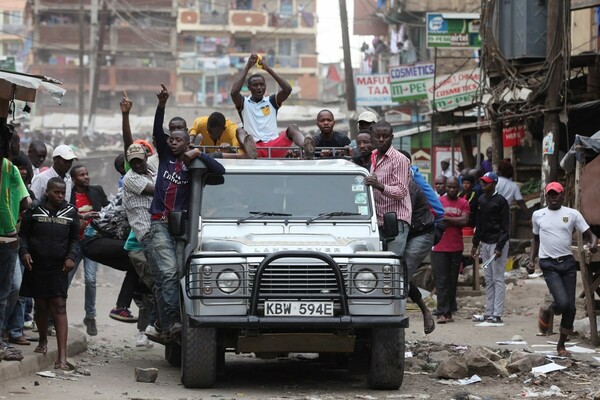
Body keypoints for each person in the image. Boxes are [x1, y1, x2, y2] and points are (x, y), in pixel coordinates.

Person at [142, 84, 225, 338]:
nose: (174, 142)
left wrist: (199, 154)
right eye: (171, 139)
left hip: (182, 226)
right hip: (158, 223)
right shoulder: (165, 155)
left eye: (179, 140)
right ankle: (173, 321)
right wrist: (162, 105)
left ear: (188, 143)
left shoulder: (193, 163)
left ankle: (165, 326)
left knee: (177, 274)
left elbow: (220, 172)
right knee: (167, 273)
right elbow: (157, 130)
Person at [530, 182, 598, 357]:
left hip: (567, 263)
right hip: (548, 264)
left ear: (562, 195)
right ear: (546, 196)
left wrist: (592, 244)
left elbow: (590, 235)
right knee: (562, 302)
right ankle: (547, 311)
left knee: (571, 308)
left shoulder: (572, 214)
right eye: (550, 194)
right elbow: (535, 239)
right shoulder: (538, 215)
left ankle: (561, 345)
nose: (553, 197)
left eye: (556, 194)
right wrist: (532, 260)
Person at [19, 177, 80, 371]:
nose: (61, 196)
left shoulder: (71, 212)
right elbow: (24, 235)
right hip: (36, 266)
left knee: (59, 306)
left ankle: (61, 357)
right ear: (47, 191)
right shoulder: (35, 210)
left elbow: (75, 239)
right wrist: (24, 252)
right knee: (42, 306)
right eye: (57, 192)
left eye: (63, 192)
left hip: (59, 267)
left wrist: (71, 256)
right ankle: (43, 339)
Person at [230, 53, 314, 158]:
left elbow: (288, 89)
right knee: (240, 131)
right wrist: (247, 67)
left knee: (293, 128)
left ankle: (307, 149)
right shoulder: (243, 102)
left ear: (265, 86)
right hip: (254, 148)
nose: (259, 87)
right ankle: (250, 151)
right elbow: (234, 92)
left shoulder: (271, 101)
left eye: (262, 85)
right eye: (255, 85)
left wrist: (267, 69)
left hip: (274, 146)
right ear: (249, 88)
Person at [69, 165, 109, 336]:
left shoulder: (96, 191)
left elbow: (109, 210)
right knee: (65, 280)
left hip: (92, 242)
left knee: (91, 280)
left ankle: (90, 317)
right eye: (81, 175)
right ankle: (53, 317)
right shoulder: (67, 195)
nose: (86, 177)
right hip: (73, 243)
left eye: (87, 173)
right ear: (73, 179)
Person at [364, 120, 412, 256]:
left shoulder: (399, 159)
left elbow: (401, 191)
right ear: (372, 137)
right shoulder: (373, 156)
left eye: (384, 136)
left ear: (391, 137)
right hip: (379, 220)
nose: (381, 140)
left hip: (396, 220)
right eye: (377, 136)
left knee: (392, 264)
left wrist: (379, 185)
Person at [0, 146, 30, 357]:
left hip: (9, 237)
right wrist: (12, 230)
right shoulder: (7, 168)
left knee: (12, 288)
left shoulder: (11, 168)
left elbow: (23, 201)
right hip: (7, 237)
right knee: (5, 291)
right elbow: (5, 202)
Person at [471, 172, 510, 324]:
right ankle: (489, 312)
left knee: (498, 277)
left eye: (487, 182)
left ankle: (497, 313)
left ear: (494, 183)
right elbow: (479, 224)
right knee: (488, 278)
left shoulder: (501, 201)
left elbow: (505, 227)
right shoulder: (481, 199)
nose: (483, 184)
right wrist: (475, 244)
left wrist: (499, 247)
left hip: (497, 244)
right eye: (482, 182)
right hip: (485, 244)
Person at [431, 177, 470, 324]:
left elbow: (464, 221)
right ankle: (441, 312)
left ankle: (449, 311)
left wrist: (447, 218)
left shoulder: (464, 203)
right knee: (441, 281)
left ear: (458, 188)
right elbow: (437, 220)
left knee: (453, 281)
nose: (452, 190)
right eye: (450, 187)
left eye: (455, 187)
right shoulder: (439, 201)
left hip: (456, 246)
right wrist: (454, 219)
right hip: (439, 246)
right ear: (446, 187)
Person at [189, 112, 258, 158]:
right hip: (204, 153)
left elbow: (240, 154)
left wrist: (229, 150)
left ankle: (246, 143)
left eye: (215, 133)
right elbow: (194, 128)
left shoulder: (232, 130)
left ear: (223, 129)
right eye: (209, 131)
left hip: (225, 160)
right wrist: (191, 141)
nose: (211, 135)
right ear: (206, 125)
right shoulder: (202, 122)